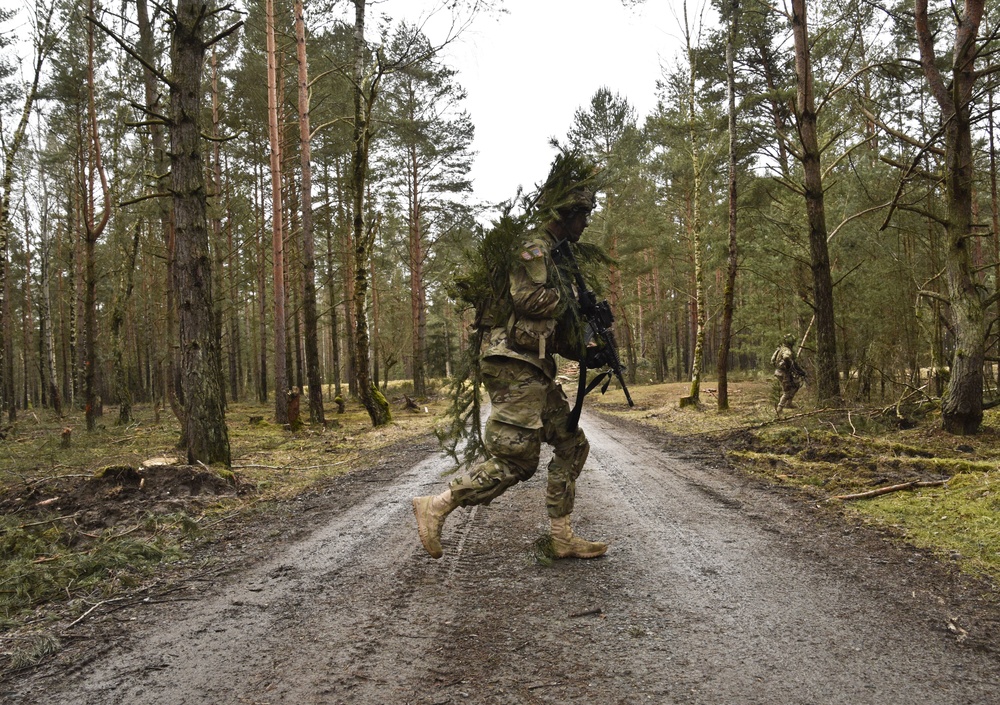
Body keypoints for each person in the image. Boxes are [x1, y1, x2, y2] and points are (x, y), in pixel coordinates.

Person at [412, 153, 607, 561]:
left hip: (531, 364)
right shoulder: (534, 247)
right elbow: (529, 299)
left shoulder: (556, 254)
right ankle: (438, 505)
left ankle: (561, 536)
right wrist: (574, 305)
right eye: (585, 213)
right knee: (517, 460)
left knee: (572, 444)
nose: (587, 222)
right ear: (568, 211)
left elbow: (544, 330)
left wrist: (588, 345)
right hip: (513, 365)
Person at [772, 333, 806, 414]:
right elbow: (786, 357)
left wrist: (798, 370)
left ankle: (789, 403)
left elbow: (772, 360)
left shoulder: (780, 349)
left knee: (796, 385)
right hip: (783, 373)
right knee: (787, 391)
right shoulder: (786, 350)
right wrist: (789, 365)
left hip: (780, 372)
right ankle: (779, 409)